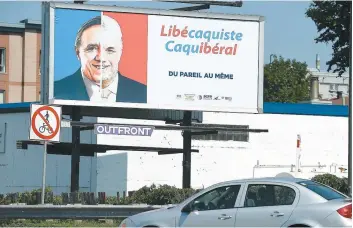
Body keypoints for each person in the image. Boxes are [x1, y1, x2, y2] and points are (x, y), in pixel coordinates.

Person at [54, 15, 147, 103]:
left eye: (110, 50)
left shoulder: (144, 94)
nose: (101, 57)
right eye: (92, 48)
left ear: (120, 52)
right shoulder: (55, 91)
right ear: (78, 52)